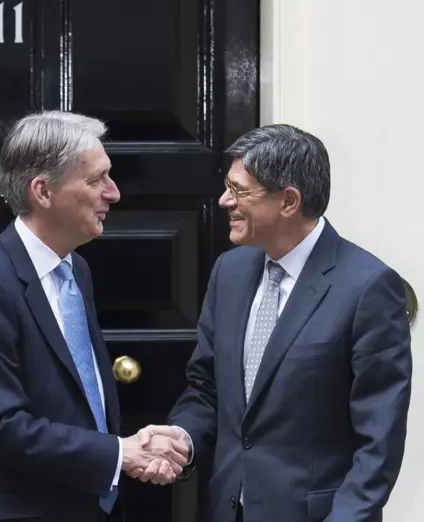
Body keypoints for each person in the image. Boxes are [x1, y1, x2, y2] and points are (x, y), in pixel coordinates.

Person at [131, 124, 412, 522]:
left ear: (288, 201)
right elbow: (206, 388)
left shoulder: (367, 287)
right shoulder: (229, 271)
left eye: (239, 190)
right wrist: (183, 438)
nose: (224, 200)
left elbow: (378, 442)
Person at [0, 110, 189, 522]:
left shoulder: (75, 269)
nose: (114, 193)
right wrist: (121, 453)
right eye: (96, 180)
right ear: (43, 191)